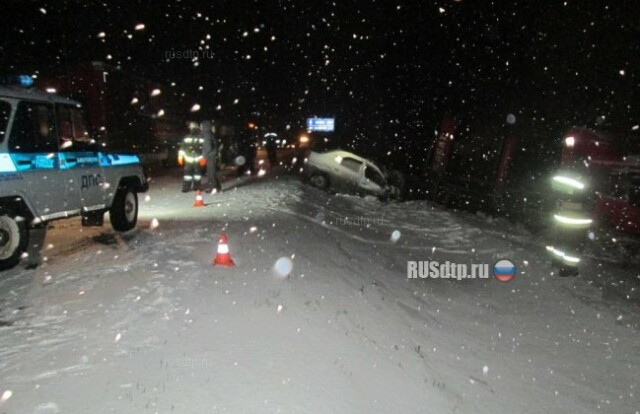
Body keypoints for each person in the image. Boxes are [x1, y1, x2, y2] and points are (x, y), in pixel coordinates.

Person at [546, 161, 593, 277]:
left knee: (561, 240)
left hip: (562, 217)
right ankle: (568, 269)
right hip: (577, 221)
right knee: (575, 246)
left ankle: (557, 262)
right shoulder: (582, 180)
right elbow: (587, 196)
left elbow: (554, 192)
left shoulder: (560, 176)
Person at [177, 123, 206, 192]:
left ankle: (186, 188)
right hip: (198, 158)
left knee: (188, 174)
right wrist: (204, 158)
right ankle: (197, 187)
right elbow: (204, 149)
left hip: (188, 158)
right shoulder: (202, 137)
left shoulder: (187, 137)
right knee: (197, 174)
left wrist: (180, 157)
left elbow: (182, 148)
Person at [201, 120, 221, 192]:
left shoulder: (206, 134)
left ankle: (214, 188)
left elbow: (208, 146)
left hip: (210, 156)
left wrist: (204, 156)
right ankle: (216, 187)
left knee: (211, 172)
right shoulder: (210, 133)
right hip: (212, 155)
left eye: (201, 125)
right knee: (211, 172)